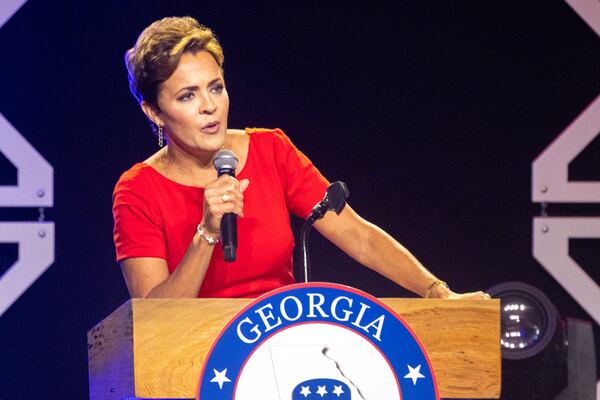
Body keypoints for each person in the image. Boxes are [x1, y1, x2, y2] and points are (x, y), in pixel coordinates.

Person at [113, 16, 490, 301]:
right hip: (197, 362)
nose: (210, 106)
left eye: (216, 88)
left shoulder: (271, 150)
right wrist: (207, 232)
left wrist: (437, 291)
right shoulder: (138, 189)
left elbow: (358, 237)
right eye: (187, 96)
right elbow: (153, 319)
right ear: (154, 112)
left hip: (282, 344)